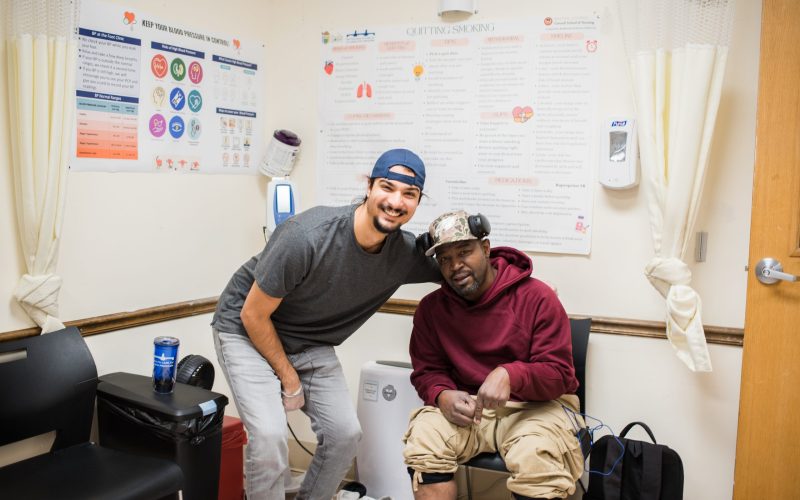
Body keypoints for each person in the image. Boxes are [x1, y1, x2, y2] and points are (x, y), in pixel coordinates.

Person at [211, 148, 440, 500]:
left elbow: (462, 266)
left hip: (309, 342)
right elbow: (252, 315)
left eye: (408, 194)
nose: (395, 202)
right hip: (247, 331)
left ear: (418, 201)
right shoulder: (306, 236)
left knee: (345, 435)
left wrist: (518, 279)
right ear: (368, 187)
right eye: (386, 187)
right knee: (271, 437)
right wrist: (289, 379)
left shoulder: (404, 254)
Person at [403, 210, 585, 500]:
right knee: (425, 436)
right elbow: (427, 371)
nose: (456, 266)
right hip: (471, 408)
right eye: (446, 259)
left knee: (535, 455)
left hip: (537, 408)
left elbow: (559, 375)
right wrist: (441, 395)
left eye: (464, 252)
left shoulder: (537, 297)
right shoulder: (431, 309)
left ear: (485, 249)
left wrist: (511, 374)